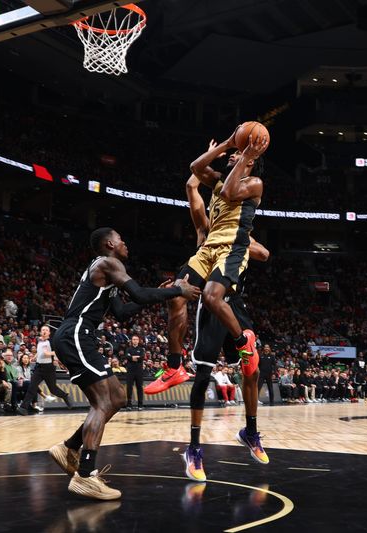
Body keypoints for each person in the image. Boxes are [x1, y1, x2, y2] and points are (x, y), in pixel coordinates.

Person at [46, 227, 200, 500]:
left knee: (117, 397)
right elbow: (139, 294)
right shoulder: (108, 262)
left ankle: (70, 447)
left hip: (78, 336)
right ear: (109, 244)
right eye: (121, 239)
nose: (125, 243)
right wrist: (178, 289)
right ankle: (85, 475)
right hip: (76, 335)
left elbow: (124, 312)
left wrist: (163, 293)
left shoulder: (105, 274)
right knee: (102, 403)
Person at [146, 132, 268, 395]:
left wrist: (246, 154)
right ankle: (174, 366)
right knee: (176, 294)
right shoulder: (218, 180)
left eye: (238, 153)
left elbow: (229, 191)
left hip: (231, 248)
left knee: (213, 298)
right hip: (209, 248)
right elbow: (195, 169)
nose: (234, 153)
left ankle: (243, 344)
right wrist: (227, 143)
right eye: (234, 152)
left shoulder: (255, 183)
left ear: (249, 162)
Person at [174, 169, 271, 482]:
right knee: (203, 375)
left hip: (235, 303)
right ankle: (193, 448)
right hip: (212, 303)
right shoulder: (206, 228)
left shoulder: (237, 229)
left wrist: (240, 240)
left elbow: (264, 253)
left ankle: (251, 431)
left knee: (252, 371)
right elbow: (192, 188)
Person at [17, 325, 72, 414]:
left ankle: (65, 396)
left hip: (49, 368)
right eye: (43, 330)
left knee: (53, 389)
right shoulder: (39, 341)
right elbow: (40, 352)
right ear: (40, 332)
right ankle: (23, 408)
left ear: (49, 333)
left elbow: (58, 351)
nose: (44, 331)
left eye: (46, 330)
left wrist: (48, 353)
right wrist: (35, 357)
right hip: (39, 368)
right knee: (32, 387)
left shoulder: (52, 341)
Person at [123, 335, 144, 410]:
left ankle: (140, 405)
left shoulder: (141, 349)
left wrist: (131, 357)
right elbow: (127, 356)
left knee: (140, 388)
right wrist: (134, 358)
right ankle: (129, 404)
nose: (135, 341)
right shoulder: (128, 349)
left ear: (138, 341)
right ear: (131, 341)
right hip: (130, 371)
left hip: (139, 371)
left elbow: (141, 358)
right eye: (133, 339)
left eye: (136, 339)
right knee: (129, 388)